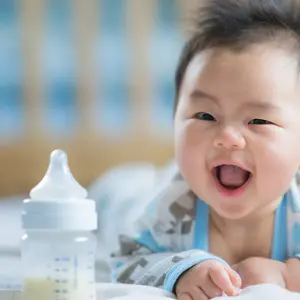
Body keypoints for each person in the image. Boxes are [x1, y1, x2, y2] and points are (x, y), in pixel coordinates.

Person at [109, 0, 300, 299]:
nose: (227, 137)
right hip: (128, 195)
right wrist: (182, 270)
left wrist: (284, 272)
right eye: (205, 116)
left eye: (259, 120)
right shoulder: (171, 208)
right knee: (116, 193)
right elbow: (124, 260)